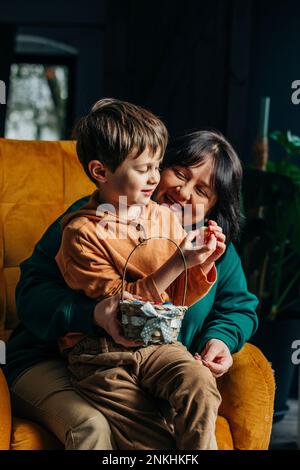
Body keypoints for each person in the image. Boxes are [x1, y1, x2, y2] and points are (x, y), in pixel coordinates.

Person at [4, 120, 258, 450]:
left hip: (151, 367)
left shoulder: (210, 248)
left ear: (212, 206)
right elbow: (31, 296)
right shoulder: (93, 223)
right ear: (156, 167)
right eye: (180, 174)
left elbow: (239, 307)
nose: (183, 192)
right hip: (57, 358)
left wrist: (220, 339)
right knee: (93, 427)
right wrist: (92, 314)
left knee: (192, 401)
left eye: (201, 190)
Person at [52, 98, 224, 451]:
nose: (154, 178)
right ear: (101, 172)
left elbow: (176, 296)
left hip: (160, 343)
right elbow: (121, 309)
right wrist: (179, 261)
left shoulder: (163, 217)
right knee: (155, 441)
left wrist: (202, 262)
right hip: (100, 355)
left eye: (157, 166)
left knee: (199, 384)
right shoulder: (82, 233)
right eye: (143, 168)